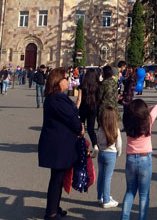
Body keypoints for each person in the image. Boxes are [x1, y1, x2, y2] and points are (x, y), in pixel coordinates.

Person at [38, 67, 84, 220]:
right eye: (66, 78)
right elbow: (70, 117)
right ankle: (51, 213)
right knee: (57, 179)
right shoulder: (57, 98)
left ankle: (54, 207)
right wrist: (79, 127)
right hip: (58, 145)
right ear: (58, 81)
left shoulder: (56, 97)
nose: (68, 81)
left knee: (58, 178)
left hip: (58, 143)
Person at [121, 99, 157, 220]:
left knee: (130, 191)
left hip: (130, 158)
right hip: (144, 158)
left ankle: (124, 218)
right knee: (144, 194)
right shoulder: (148, 121)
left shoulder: (128, 123)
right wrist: (147, 109)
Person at [97, 106, 122, 209]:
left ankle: (100, 197)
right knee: (107, 178)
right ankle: (106, 200)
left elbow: (98, 141)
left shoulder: (100, 129)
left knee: (101, 176)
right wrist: (119, 153)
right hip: (111, 154)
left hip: (101, 153)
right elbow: (119, 144)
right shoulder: (116, 130)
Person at [76, 68, 100, 157]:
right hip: (93, 109)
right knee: (91, 129)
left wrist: (75, 109)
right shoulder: (97, 86)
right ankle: (95, 146)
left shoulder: (82, 86)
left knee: (81, 128)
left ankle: (81, 146)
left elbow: (79, 99)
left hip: (83, 108)